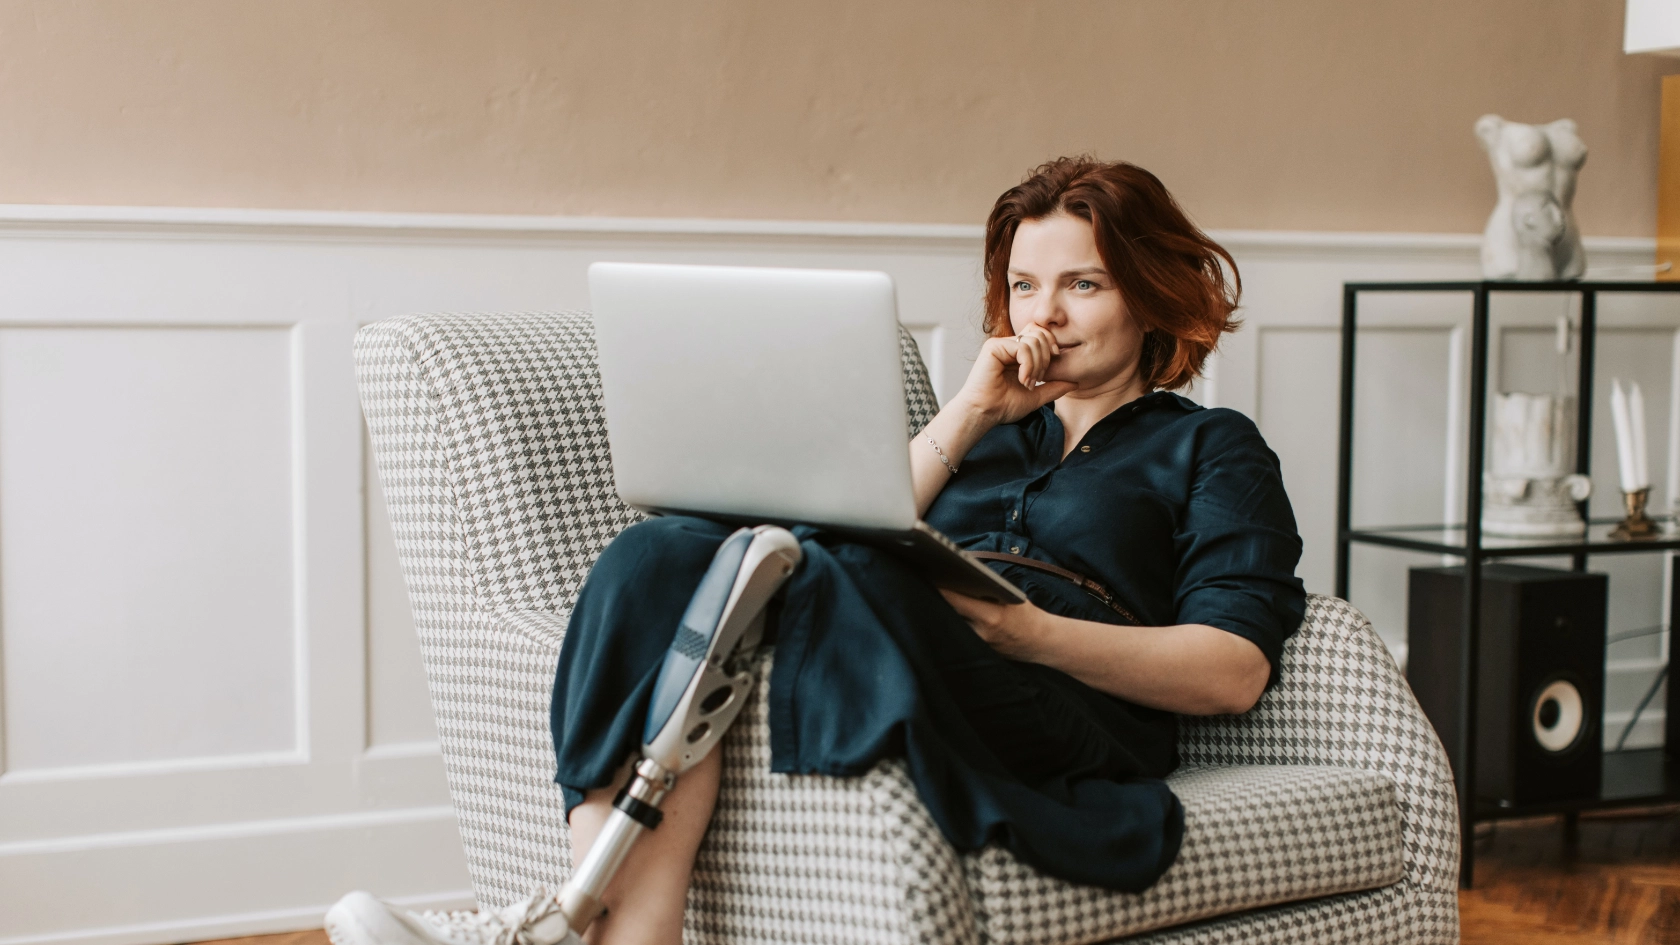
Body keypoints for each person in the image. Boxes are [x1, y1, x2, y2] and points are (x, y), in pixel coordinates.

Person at [325, 156, 1305, 945]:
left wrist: (1028, 631)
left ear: (1146, 294)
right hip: (905, 634)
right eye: (1022, 286)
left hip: (1064, 703)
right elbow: (852, 515)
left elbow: (1231, 671)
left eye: (1082, 285)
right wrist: (968, 414)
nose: (1042, 316)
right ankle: (621, 924)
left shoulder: (1212, 447)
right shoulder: (985, 429)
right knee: (661, 550)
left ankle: (553, 925)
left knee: (830, 562)